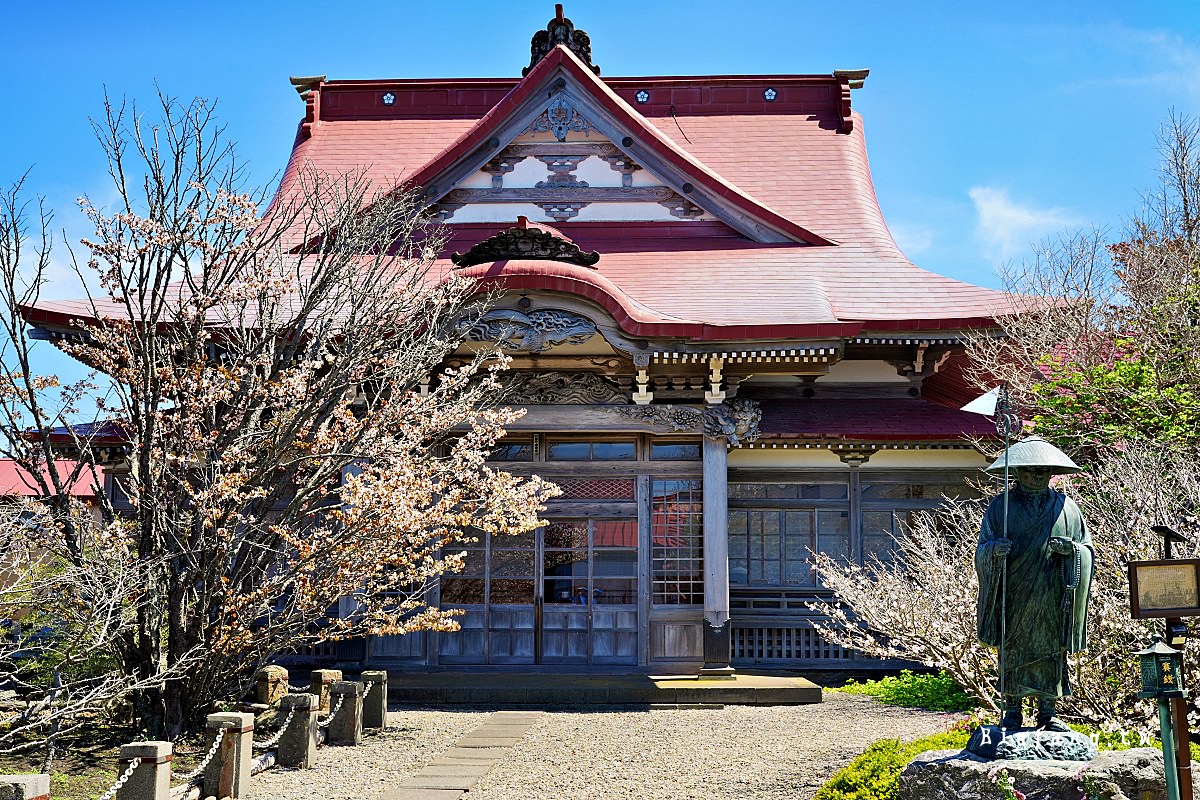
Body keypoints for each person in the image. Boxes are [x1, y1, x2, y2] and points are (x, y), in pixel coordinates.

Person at [975, 435, 1093, 732]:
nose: (1038, 475)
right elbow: (982, 548)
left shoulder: (1067, 507)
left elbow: (1086, 549)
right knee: (1012, 648)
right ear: (1015, 472)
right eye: (1030, 469)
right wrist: (993, 552)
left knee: (1051, 650)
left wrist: (1072, 552)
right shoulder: (1000, 506)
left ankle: (1048, 711)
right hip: (1014, 591)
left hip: (1052, 591)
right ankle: (1012, 711)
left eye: (1044, 470)